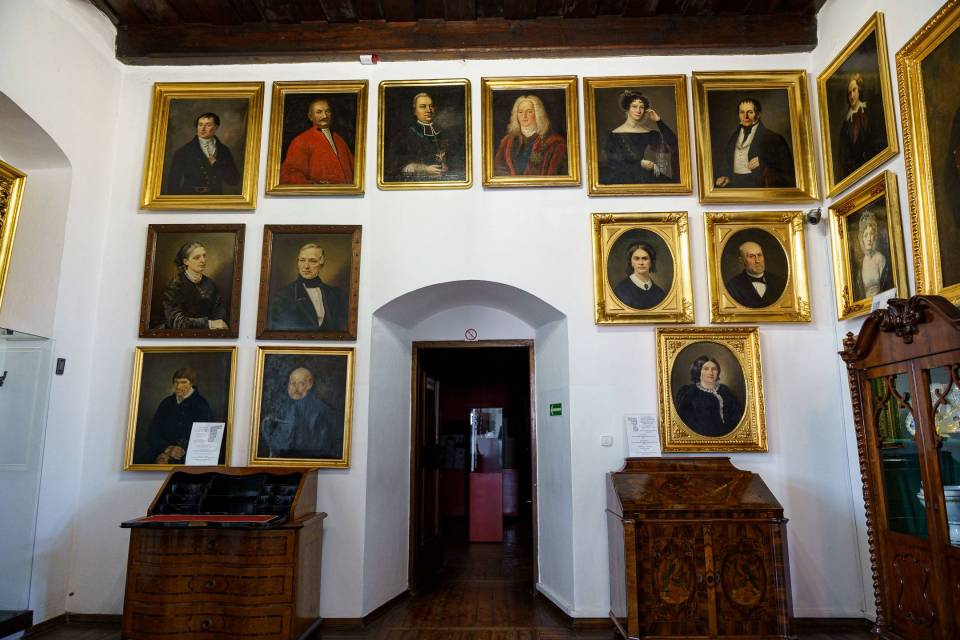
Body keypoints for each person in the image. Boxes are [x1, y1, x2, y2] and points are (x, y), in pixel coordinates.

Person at [259, 367, 341, 459]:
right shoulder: (286, 406)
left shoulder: (320, 409)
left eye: (301, 383)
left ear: (309, 385)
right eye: (293, 383)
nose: (295, 388)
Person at [714, 98, 795, 189]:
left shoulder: (773, 138)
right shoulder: (733, 138)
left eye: (750, 112)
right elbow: (727, 163)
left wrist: (763, 160)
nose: (745, 116)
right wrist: (727, 177)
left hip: (760, 187)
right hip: (735, 186)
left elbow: (788, 167)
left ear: (758, 114)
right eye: (742, 112)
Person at [600, 90, 679, 185]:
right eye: (634, 106)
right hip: (624, 177)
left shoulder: (650, 133)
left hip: (646, 175)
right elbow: (613, 162)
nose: (638, 110)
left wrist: (658, 121)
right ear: (627, 108)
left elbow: (674, 144)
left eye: (641, 107)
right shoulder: (614, 135)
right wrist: (639, 164)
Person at [268, 243, 348, 332]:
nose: (306, 266)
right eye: (302, 260)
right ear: (298, 263)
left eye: (312, 261)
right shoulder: (283, 296)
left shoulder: (337, 294)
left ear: (321, 264)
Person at [142, 367, 214, 464]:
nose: (179, 386)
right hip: (161, 450)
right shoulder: (166, 403)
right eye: (176, 382)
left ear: (192, 383)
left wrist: (176, 451)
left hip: (189, 454)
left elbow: (205, 437)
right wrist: (167, 449)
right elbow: (152, 432)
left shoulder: (201, 405)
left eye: (184, 382)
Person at [279, 98, 354, 185]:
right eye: (319, 112)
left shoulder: (339, 139)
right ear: (310, 116)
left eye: (327, 111)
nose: (324, 116)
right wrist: (315, 186)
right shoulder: (301, 141)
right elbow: (288, 174)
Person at [386, 92, 457, 181]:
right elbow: (396, 165)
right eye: (423, 107)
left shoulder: (443, 131)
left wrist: (447, 165)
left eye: (431, 106)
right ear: (414, 111)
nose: (428, 110)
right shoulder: (405, 134)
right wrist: (424, 169)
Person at [165, 112, 240, 195]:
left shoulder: (224, 151)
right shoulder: (184, 151)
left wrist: (216, 165)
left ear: (216, 127)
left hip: (215, 197)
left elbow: (234, 180)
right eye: (200, 125)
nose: (203, 129)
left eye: (208, 125)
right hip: (190, 196)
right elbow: (173, 183)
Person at [159, 241, 228, 330]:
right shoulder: (175, 285)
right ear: (186, 261)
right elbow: (175, 321)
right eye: (197, 257)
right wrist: (209, 324)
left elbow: (219, 313)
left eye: (204, 256)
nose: (203, 260)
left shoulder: (210, 284)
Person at [494, 95, 567, 176]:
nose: (524, 116)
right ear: (516, 115)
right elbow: (498, 169)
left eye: (529, 112)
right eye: (520, 112)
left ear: (538, 114)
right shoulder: (507, 142)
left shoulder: (554, 144)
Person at [674, 355, 743, 437]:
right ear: (698, 371)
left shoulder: (725, 390)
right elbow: (686, 422)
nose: (711, 373)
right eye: (706, 369)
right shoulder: (690, 393)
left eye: (714, 369)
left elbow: (737, 416)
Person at [836, 74, 884, 181]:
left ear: (859, 90)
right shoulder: (846, 125)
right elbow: (845, 155)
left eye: (854, 90)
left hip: (875, 166)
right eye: (849, 93)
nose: (851, 95)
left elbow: (876, 139)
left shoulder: (869, 112)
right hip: (856, 173)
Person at [723, 240, 787, 308]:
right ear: (741, 260)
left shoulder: (780, 282)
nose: (757, 261)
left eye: (759, 255)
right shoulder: (732, 287)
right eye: (751, 256)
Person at [612, 241, 668, 309]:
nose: (641, 263)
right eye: (636, 259)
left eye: (645, 258)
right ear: (631, 262)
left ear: (651, 262)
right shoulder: (621, 290)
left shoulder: (659, 293)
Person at [856, 210, 891, 299]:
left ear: (875, 236)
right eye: (866, 235)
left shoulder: (880, 258)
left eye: (871, 234)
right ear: (862, 239)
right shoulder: (861, 264)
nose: (869, 239)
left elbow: (885, 287)